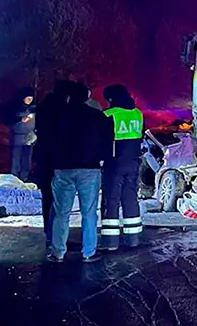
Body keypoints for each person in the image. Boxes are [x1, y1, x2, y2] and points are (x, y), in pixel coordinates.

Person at [46, 83, 114, 263]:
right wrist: (102, 159)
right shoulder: (98, 116)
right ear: (87, 97)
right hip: (89, 169)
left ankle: (58, 252)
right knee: (89, 213)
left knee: (61, 213)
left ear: (70, 97)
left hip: (63, 169)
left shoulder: (58, 116)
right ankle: (89, 252)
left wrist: (53, 161)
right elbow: (108, 140)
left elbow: (48, 140)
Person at [100, 84, 145, 250]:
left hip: (114, 163)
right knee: (130, 198)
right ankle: (133, 238)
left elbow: (102, 140)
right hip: (133, 162)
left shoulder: (108, 115)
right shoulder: (138, 114)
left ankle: (111, 241)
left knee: (111, 199)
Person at [33, 80, 74, 251]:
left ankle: (50, 234)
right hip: (56, 159)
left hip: (43, 157)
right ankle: (55, 237)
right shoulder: (62, 109)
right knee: (58, 199)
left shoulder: (45, 106)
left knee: (47, 197)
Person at [7, 87, 36, 181]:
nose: (29, 100)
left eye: (31, 98)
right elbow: (9, 119)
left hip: (30, 135)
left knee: (27, 158)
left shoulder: (33, 108)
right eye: (27, 98)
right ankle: (14, 177)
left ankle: (25, 177)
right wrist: (20, 119)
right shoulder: (15, 107)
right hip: (18, 135)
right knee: (16, 157)